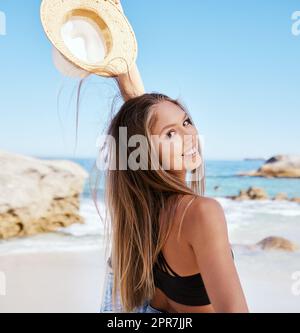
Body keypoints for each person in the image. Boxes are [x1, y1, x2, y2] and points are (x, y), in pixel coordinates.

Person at [99, 0, 249, 313]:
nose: (189, 136)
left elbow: (140, 123)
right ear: (143, 151)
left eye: (186, 122)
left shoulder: (137, 215)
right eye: (171, 134)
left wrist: (122, 59)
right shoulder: (201, 213)